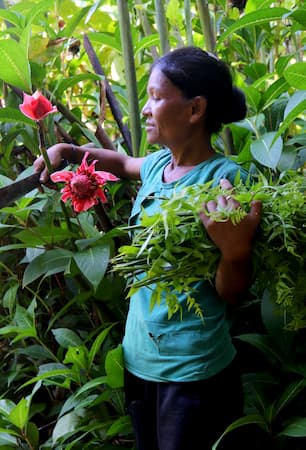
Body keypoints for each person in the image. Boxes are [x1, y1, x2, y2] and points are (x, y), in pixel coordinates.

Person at [35, 46, 262, 450]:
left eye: (156, 98)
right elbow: (121, 164)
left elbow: (233, 292)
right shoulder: (160, 165)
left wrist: (235, 252)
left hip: (193, 374)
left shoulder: (226, 180)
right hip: (140, 363)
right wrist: (67, 153)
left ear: (195, 109)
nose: (145, 110)